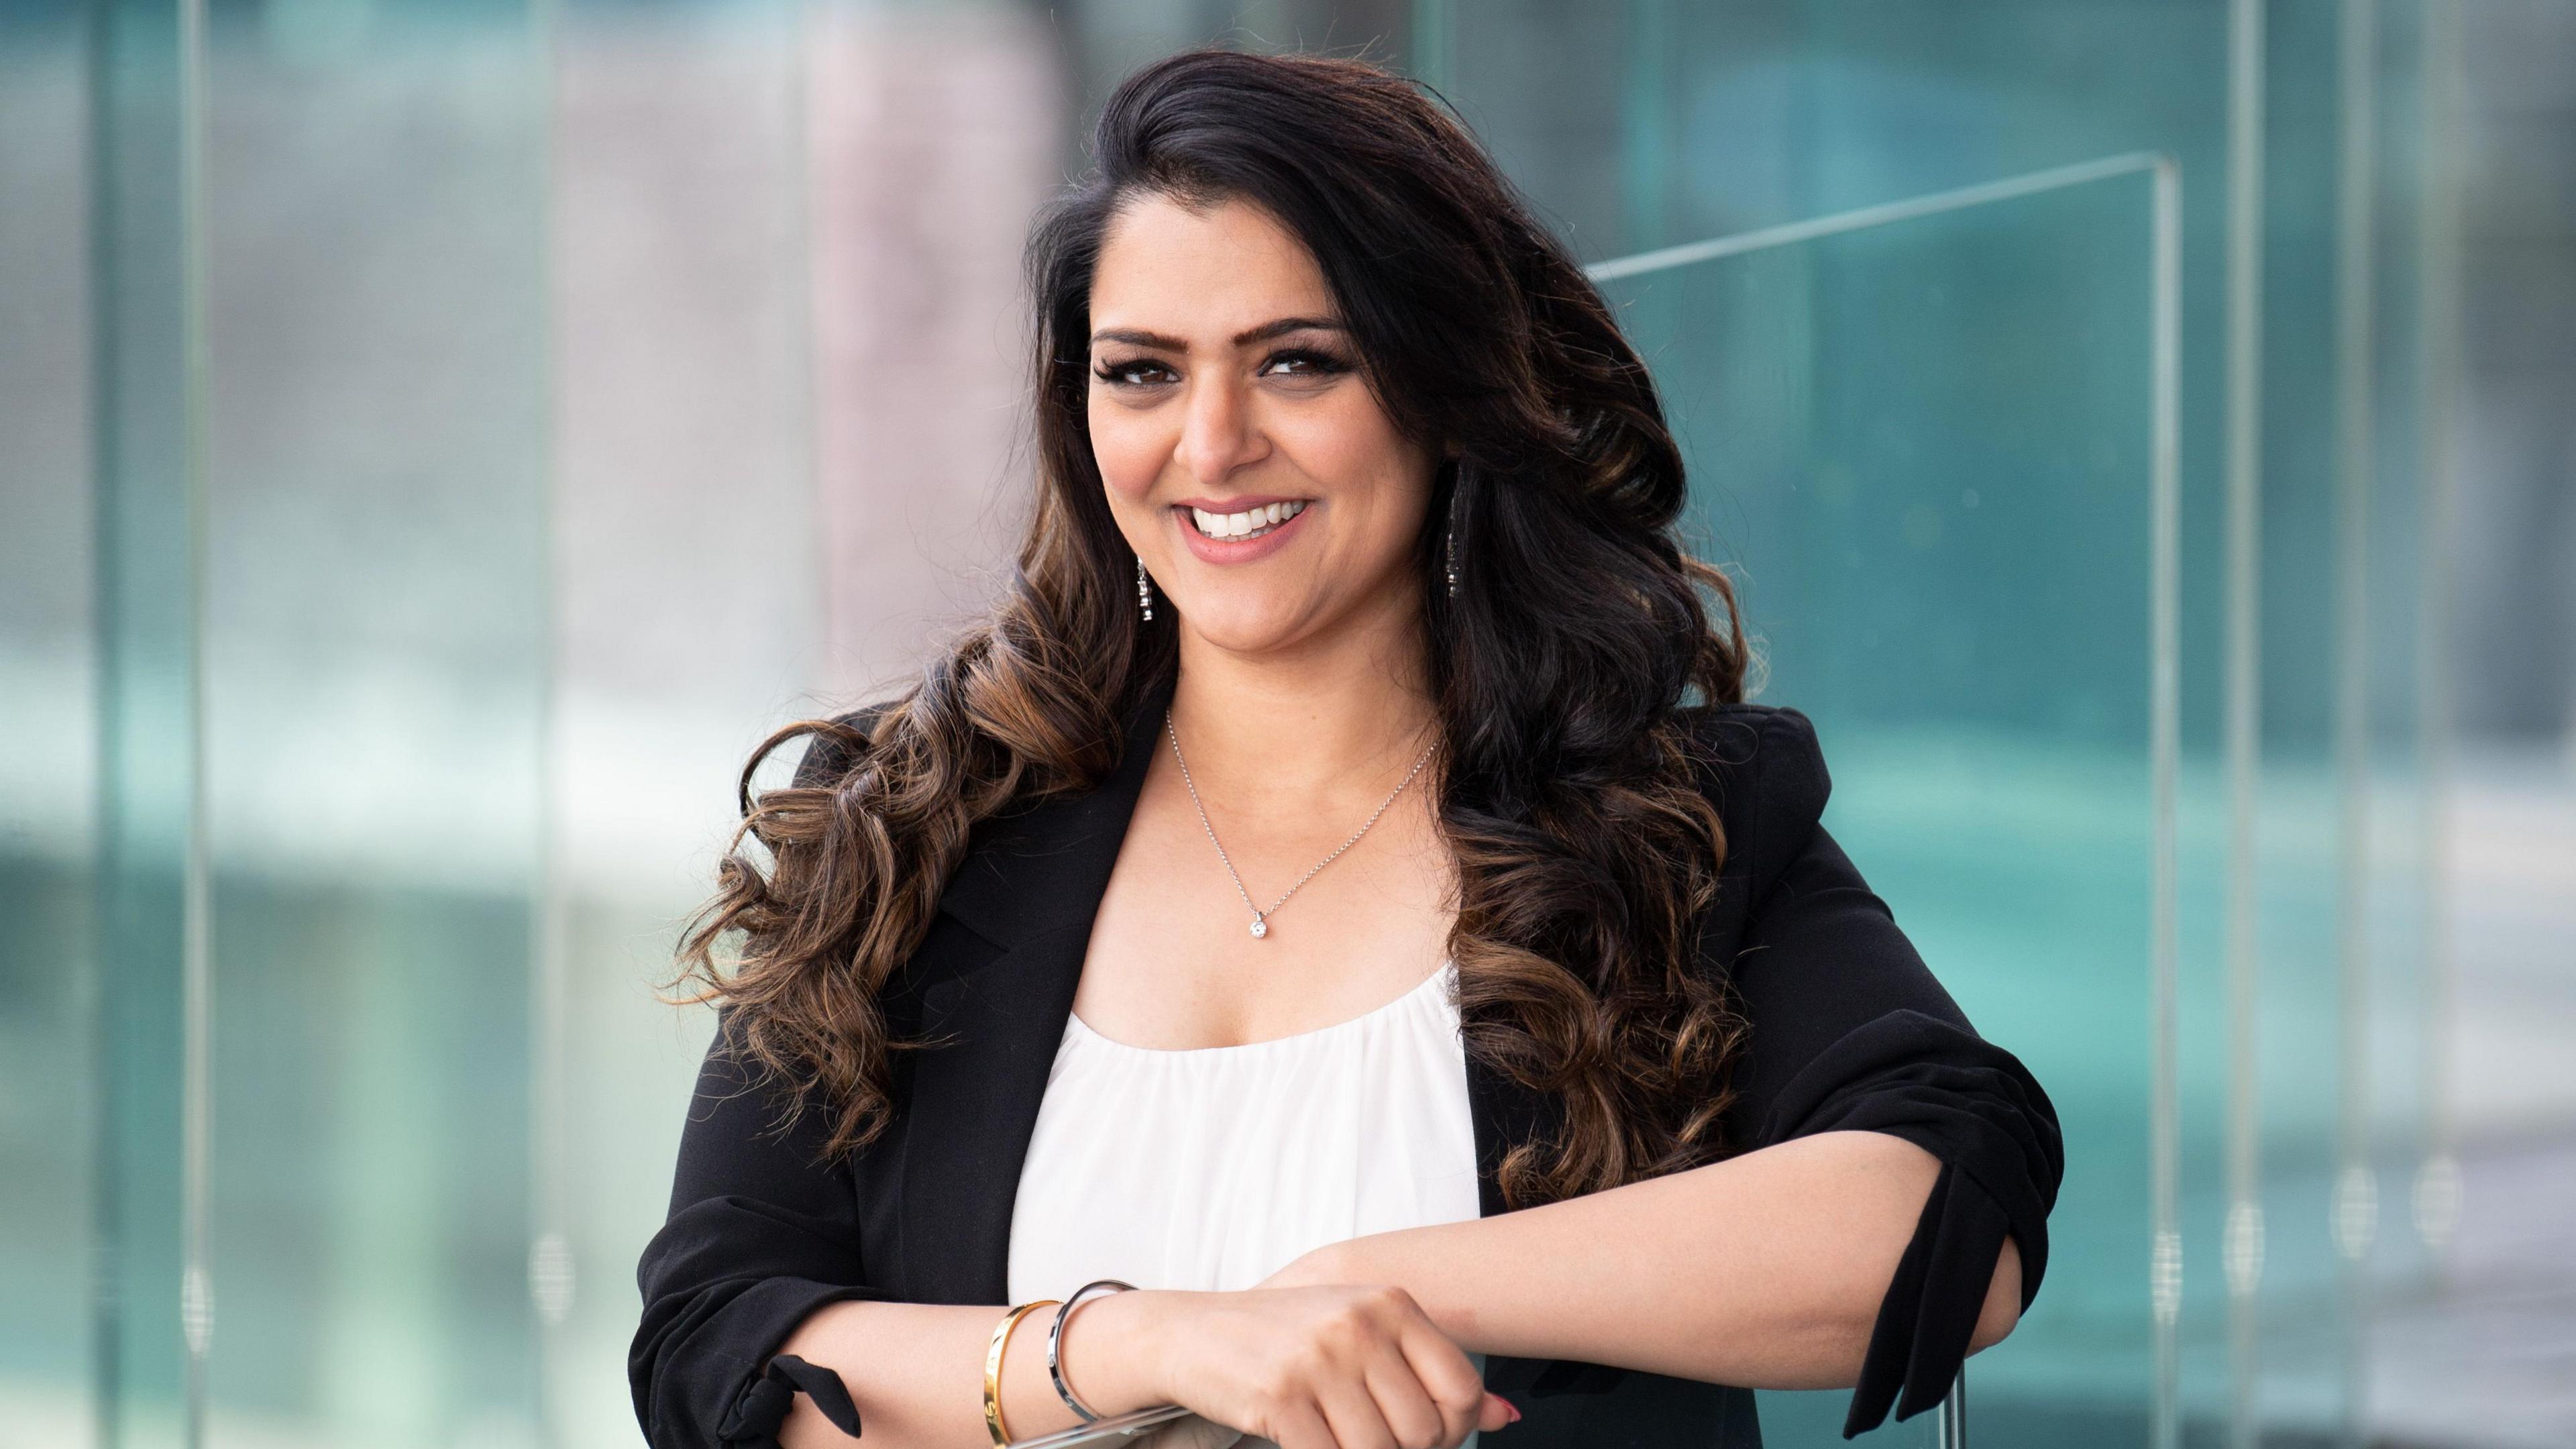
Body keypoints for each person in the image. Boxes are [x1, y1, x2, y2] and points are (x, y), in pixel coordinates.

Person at [630, 46, 2060, 1449]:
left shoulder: (1662, 821)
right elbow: (720, 1344)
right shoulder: (913, 821)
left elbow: (1952, 1218)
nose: (1212, 441)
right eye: (1142, 373)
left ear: (1442, 396)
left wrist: (1371, 1286)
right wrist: (1153, 1341)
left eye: (1298, 363)